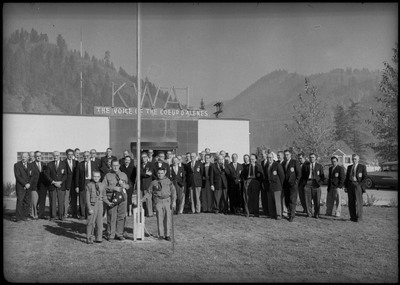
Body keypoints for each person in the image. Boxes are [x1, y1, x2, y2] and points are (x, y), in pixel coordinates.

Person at [142, 167, 176, 241]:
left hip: (167, 201)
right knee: (159, 218)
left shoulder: (169, 181)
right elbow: (149, 192)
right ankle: (161, 234)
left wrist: (174, 201)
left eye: (161, 173)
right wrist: (142, 200)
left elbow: (173, 192)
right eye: (159, 173)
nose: (160, 175)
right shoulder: (153, 182)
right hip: (158, 201)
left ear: (165, 173)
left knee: (167, 218)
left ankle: (167, 235)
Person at [103, 159, 130, 241]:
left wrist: (125, 185)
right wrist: (113, 188)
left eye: (117, 165)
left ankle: (119, 234)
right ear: (111, 166)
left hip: (122, 198)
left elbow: (128, 186)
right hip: (112, 198)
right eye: (114, 165)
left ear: (119, 166)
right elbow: (103, 187)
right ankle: (111, 234)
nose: (115, 167)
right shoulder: (107, 175)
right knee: (111, 216)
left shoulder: (123, 175)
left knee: (121, 216)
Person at [85, 170, 113, 244]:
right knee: (90, 221)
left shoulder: (102, 185)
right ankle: (89, 237)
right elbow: (87, 198)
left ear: (100, 177)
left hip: (100, 204)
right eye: (94, 176)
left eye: (98, 176)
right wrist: (89, 208)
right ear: (92, 177)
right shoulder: (89, 185)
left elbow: (104, 196)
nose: (96, 178)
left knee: (99, 222)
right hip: (92, 204)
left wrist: (108, 203)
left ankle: (99, 237)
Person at [344, 154, 368, 222]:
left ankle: (359, 218)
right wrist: (346, 186)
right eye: (353, 159)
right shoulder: (349, 167)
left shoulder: (362, 167)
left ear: (358, 159)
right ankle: (353, 217)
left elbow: (365, 177)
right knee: (351, 202)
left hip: (357, 185)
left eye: (355, 159)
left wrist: (360, 185)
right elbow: (347, 178)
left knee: (359, 202)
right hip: (350, 185)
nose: (354, 160)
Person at [44, 151, 67, 221]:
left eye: (57, 155)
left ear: (59, 156)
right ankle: (53, 216)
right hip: (52, 186)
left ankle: (61, 216)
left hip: (61, 186)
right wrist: (53, 182)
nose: (55, 156)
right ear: (52, 156)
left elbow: (66, 175)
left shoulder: (64, 164)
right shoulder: (49, 164)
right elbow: (47, 175)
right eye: (54, 155)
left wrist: (60, 182)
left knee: (61, 202)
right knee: (52, 202)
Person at [301, 153, 325, 219]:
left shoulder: (319, 166)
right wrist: (304, 183)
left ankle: (316, 214)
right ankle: (309, 213)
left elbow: (322, 176)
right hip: (307, 183)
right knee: (307, 199)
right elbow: (302, 175)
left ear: (315, 158)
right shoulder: (305, 165)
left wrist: (319, 183)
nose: (311, 158)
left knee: (317, 199)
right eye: (310, 157)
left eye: (313, 157)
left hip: (316, 184)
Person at [75, 151, 98, 219]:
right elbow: (77, 176)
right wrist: (77, 186)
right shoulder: (80, 164)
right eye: (84, 156)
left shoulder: (94, 164)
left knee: (92, 198)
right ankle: (82, 215)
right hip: (83, 183)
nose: (86, 157)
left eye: (87, 155)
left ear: (90, 156)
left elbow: (97, 175)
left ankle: (90, 214)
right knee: (82, 199)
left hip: (92, 182)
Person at [14, 152, 36, 222]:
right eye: (22, 157)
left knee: (27, 202)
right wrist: (25, 184)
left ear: (28, 157)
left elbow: (32, 176)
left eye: (25, 157)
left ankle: (25, 217)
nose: (23, 158)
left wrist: (29, 184)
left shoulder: (31, 165)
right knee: (20, 202)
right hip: (20, 187)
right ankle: (18, 218)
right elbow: (17, 176)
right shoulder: (17, 165)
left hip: (28, 187)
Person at [264, 152, 285, 220]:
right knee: (270, 202)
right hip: (269, 187)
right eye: (268, 157)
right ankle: (272, 214)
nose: (269, 159)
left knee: (277, 202)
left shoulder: (277, 165)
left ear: (273, 158)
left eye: (270, 157)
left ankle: (278, 215)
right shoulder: (266, 166)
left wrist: (282, 186)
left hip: (277, 186)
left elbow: (282, 176)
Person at [282, 149, 301, 222]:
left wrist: (296, 182)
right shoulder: (284, 163)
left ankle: (292, 215)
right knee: (287, 200)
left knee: (292, 200)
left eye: (287, 154)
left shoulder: (294, 162)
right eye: (285, 155)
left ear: (290, 155)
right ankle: (289, 212)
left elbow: (299, 173)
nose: (286, 156)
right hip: (286, 185)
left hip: (293, 184)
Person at [31, 151, 48, 219]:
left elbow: (46, 175)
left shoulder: (44, 164)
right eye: (37, 156)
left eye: (40, 155)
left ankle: (41, 215)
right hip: (34, 185)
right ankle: (34, 215)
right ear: (35, 157)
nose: (39, 157)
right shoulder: (31, 164)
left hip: (43, 186)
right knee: (34, 201)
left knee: (42, 201)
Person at [64, 149, 78, 219]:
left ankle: (74, 214)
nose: (70, 156)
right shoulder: (63, 162)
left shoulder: (76, 162)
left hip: (74, 184)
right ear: (66, 155)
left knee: (74, 200)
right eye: (69, 154)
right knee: (66, 200)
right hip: (66, 184)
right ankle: (65, 213)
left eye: (71, 154)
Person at [139, 152, 154, 217]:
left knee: (148, 199)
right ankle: (144, 212)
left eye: (145, 157)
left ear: (147, 157)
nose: (143, 158)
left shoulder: (151, 164)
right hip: (141, 184)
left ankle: (150, 213)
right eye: (142, 157)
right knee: (142, 199)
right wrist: (145, 173)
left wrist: (143, 174)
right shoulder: (139, 165)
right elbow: (139, 173)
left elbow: (150, 173)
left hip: (148, 184)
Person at [260, 151, 269, 216]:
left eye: (263, 154)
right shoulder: (262, 162)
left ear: (266, 154)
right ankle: (265, 210)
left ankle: (269, 210)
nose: (262, 155)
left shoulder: (270, 161)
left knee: (268, 197)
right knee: (263, 197)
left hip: (268, 182)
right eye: (261, 154)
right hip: (263, 182)